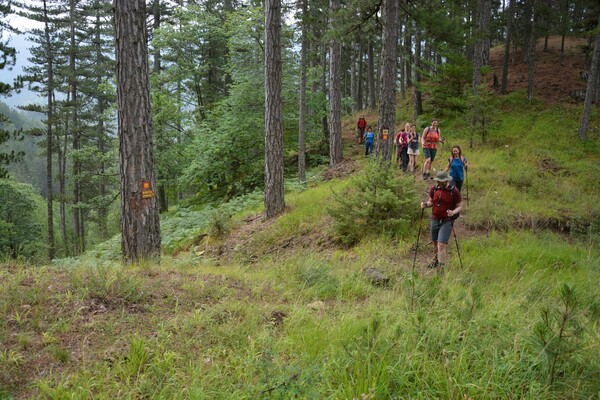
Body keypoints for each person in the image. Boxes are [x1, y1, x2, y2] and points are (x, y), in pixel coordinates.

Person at [420, 171, 462, 270]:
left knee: (441, 244)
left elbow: (460, 205)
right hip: (435, 218)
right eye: (438, 181)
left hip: (447, 220)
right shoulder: (434, 189)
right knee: (435, 242)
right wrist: (425, 205)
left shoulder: (454, 191)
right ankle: (436, 260)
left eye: (441, 181)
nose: (439, 183)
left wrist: (453, 212)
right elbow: (431, 202)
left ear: (447, 180)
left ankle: (441, 268)